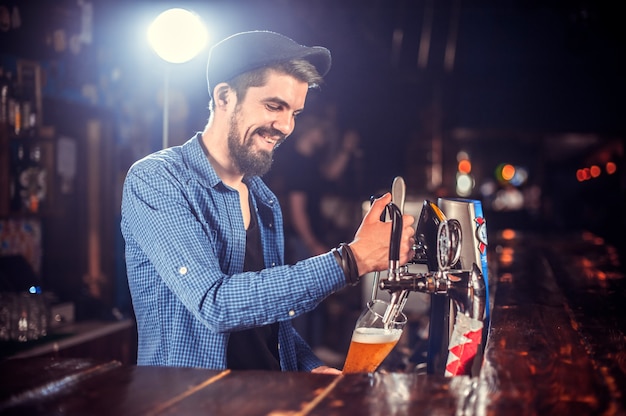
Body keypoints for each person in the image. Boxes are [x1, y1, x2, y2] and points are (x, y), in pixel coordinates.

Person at [120, 30, 415, 373]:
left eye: (295, 113)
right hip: (190, 402)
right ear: (224, 97)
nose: (286, 126)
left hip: (267, 399)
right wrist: (350, 259)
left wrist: (310, 368)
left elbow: (268, 321)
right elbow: (215, 305)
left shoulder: (264, 200)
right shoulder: (157, 179)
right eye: (275, 106)